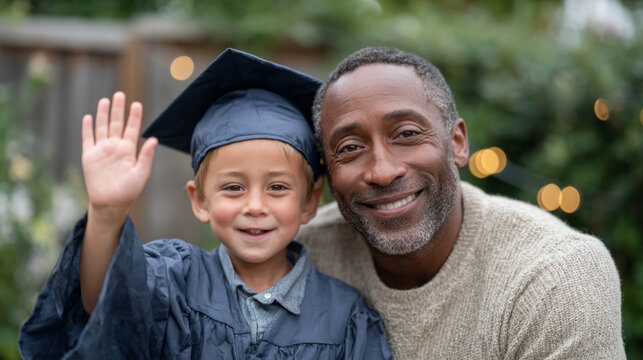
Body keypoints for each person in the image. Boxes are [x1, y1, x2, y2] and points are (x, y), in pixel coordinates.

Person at [18, 49, 393, 359]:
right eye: (233, 188)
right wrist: (107, 212)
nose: (255, 206)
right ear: (200, 201)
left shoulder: (347, 318)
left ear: (310, 201)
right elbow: (103, 300)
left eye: (277, 187)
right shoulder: (172, 281)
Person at [297, 46, 625, 359]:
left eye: (407, 134)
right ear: (327, 172)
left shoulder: (554, 276)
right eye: (350, 148)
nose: (382, 172)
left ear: (457, 143)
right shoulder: (299, 258)